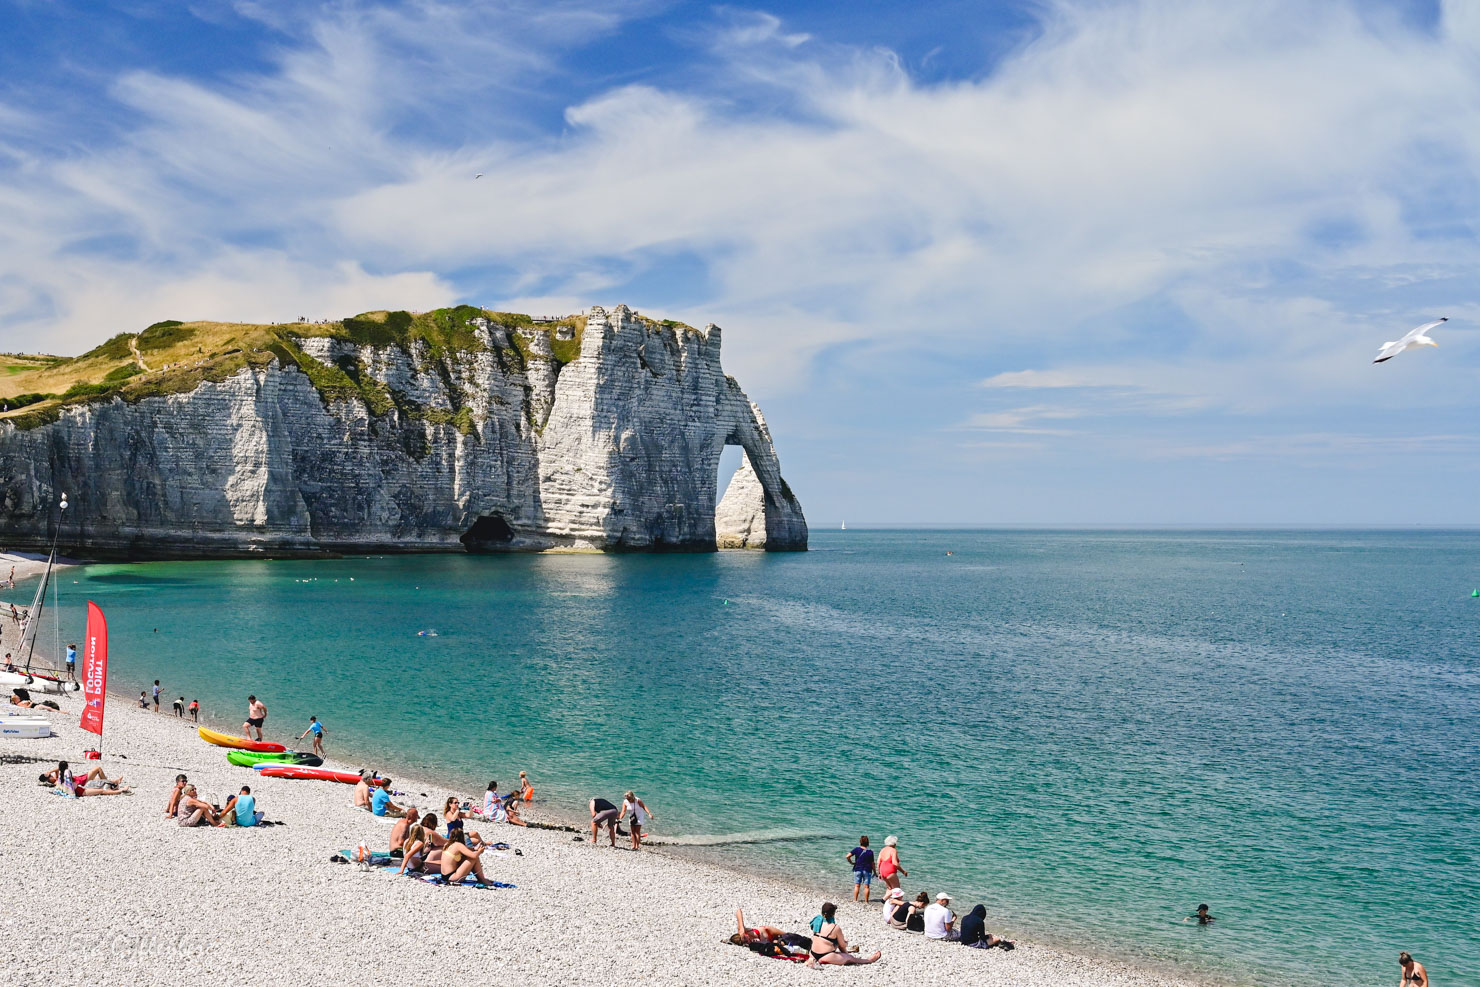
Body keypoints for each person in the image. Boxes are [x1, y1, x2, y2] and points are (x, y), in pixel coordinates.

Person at [805, 902, 880, 967]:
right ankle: (868, 960)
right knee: (850, 958)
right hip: (826, 956)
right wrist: (846, 943)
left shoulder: (817, 922)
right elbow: (842, 945)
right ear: (833, 914)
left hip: (813, 954)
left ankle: (846, 954)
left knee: (831, 940)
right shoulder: (835, 927)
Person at [848, 835, 876, 902]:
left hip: (858, 869)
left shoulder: (856, 849)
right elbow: (872, 863)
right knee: (866, 886)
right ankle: (866, 901)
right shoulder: (870, 852)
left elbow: (847, 856)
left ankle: (855, 900)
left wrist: (851, 863)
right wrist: (875, 872)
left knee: (857, 885)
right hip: (867, 870)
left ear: (860, 842)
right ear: (868, 843)